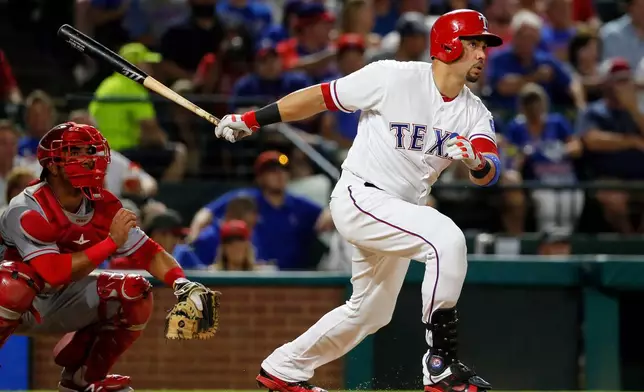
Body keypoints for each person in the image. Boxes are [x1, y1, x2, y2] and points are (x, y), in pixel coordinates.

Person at [214, 9, 502, 392]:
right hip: (361, 196)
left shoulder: (474, 111)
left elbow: (488, 170)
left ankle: (284, 369)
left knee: (370, 313)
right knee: (446, 238)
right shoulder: (392, 77)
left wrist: (476, 161)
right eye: (474, 43)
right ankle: (440, 364)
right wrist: (252, 119)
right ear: (448, 44)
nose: (482, 53)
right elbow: (320, 97)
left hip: (401, 214)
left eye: (484, 45)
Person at [0, 122, 217, 392]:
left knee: (135, 291)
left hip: (61, 299)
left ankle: (83, 379)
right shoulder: (26, 207)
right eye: (76, 152)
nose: (89, 159)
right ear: (53, 165)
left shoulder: (104, 205)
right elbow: (52, 272)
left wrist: (181, 283)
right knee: (13, 281)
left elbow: (149, 253)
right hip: (15, 301)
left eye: (91, 151)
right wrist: (111, 242)